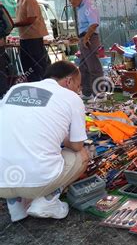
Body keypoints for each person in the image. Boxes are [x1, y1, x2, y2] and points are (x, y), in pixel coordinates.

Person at [0, 60, 89, 221]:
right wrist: (64, 138)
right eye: (78, 85)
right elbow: (77, 145)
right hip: (38, 183)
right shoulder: (71, 98)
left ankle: (16, 205)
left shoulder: (16, 88)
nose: (79, 90)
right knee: (82, 155)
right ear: (68, 81)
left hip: (2, 185)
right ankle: (47, 201)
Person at [3, 0, 49, 82]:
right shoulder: (19, 2)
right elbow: (20, 19)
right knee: (27, 67)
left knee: (37, 66)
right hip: (25, 38)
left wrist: (13, 24)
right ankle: (33, 85)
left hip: (34, 38)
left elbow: (31, 19)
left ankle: (43, 85)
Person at [65, 0, 103, 100]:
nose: (71, 1)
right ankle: (87, 93)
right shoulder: (80, 7)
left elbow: (94, 23)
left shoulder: (87, 5)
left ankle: (100, 95)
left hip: (89, 38)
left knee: (94, 67)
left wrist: (86, 38)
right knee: (83, 68)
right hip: (84, 38)